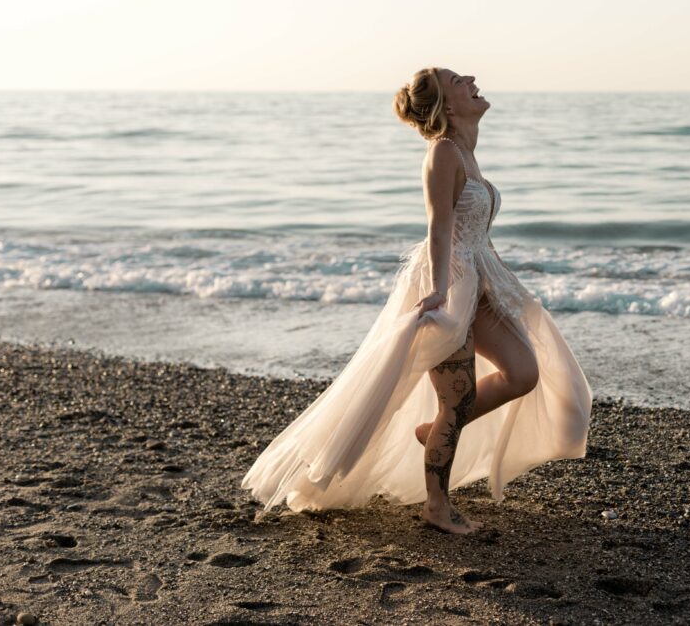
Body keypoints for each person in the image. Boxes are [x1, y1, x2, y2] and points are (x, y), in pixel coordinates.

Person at [241, 67, 592, 534]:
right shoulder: (443, 153)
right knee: (457, 396)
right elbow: (439, 228)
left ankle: (437, 431)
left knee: (523, 372)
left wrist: (502, 279)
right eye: (456, 78)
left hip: (479, 277)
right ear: (448, 105)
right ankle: (437, 506)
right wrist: (441, 291)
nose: (470, 77)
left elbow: (475, 231)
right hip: (448, 282)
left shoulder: (466, 150)